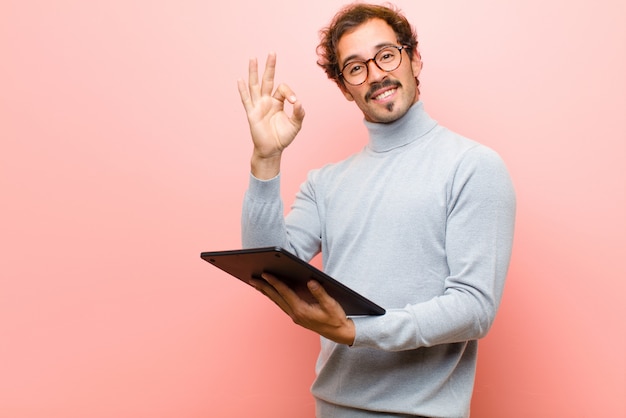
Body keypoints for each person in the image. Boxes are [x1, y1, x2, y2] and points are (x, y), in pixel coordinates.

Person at [236, 2, 516, 417]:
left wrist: (357, 331)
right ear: (344, 86)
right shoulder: (324, 183)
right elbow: (266, 267)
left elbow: (474, 308)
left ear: (414, 58)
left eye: (386, 55)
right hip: (331, 408)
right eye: (355, 67)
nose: (376, 75)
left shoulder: (473, 166)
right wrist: (265, 159)